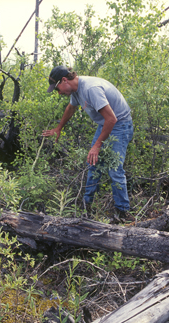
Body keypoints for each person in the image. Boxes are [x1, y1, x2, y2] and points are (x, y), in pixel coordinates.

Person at [42, 66, 134, 220]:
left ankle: (123, 213)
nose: (59, 93)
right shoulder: (75, 90)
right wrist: (58, 128)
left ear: (64, 80)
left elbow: (112, 119)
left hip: (120, 125)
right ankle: (87, 206)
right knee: (92, 164)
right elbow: (71, 108)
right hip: (105, 123)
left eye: (58, 88)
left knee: (114, 169)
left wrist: (97, 146)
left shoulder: (90, 89)